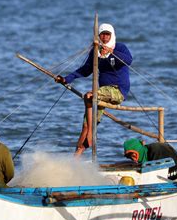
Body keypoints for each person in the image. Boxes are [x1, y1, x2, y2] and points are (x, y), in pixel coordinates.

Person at [56, 23, 133, 157]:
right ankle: (76, 159)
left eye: (107, 35)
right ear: (98, 36)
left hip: (117, 91)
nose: (104, 38)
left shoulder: (120, 48)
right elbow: (85, 70)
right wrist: (66, 79)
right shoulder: (95, 51)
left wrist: (111, 51)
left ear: (112, 35)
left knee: (90, 96)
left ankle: (91, 133)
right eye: (102, 34)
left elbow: (129, 60)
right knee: (85, 126)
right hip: (101, 93)